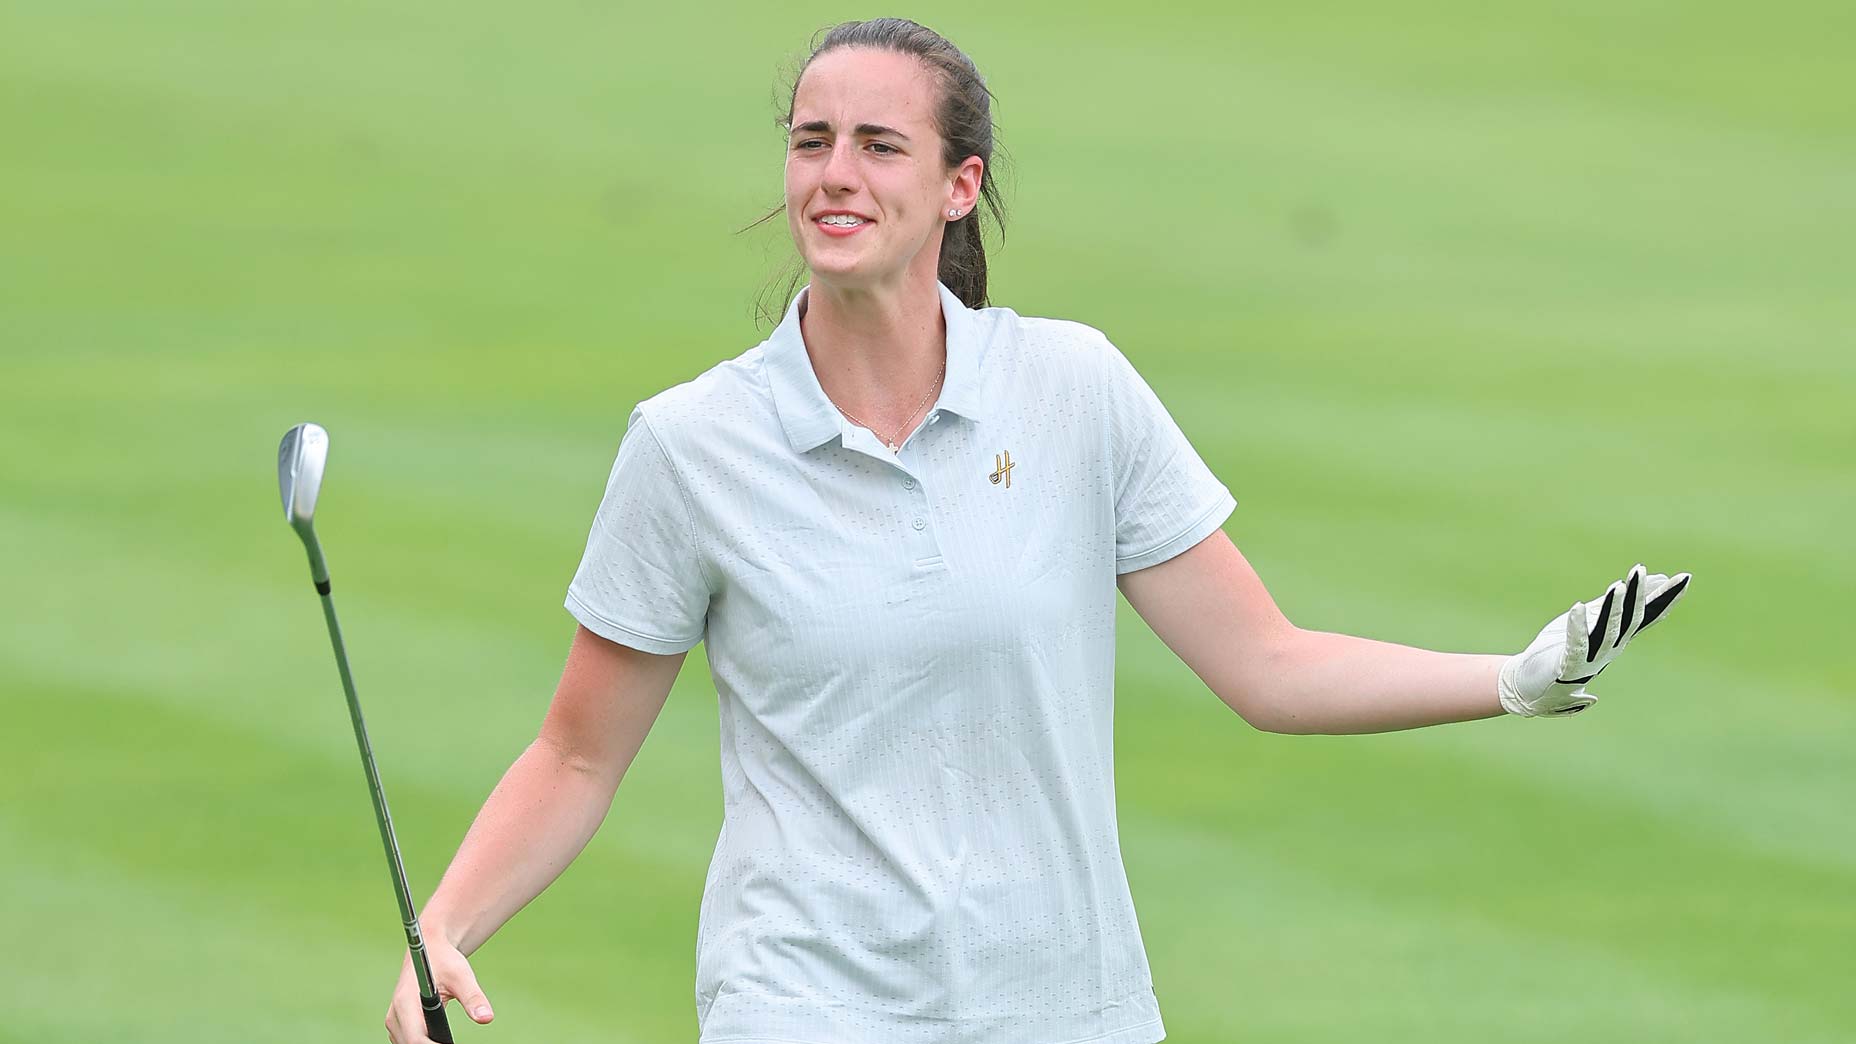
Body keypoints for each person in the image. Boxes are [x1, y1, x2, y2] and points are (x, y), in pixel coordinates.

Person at [383, 17, 1693, 1044]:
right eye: (810, 139)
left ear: (960, 186)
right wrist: (443, 926)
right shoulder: (692, 443)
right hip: (803, 1010)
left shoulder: (1074, 390)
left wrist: (1511, 681)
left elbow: (1267, 665)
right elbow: (575, 757)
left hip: (1064, 1009)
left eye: (877, 147)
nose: (834, 174)